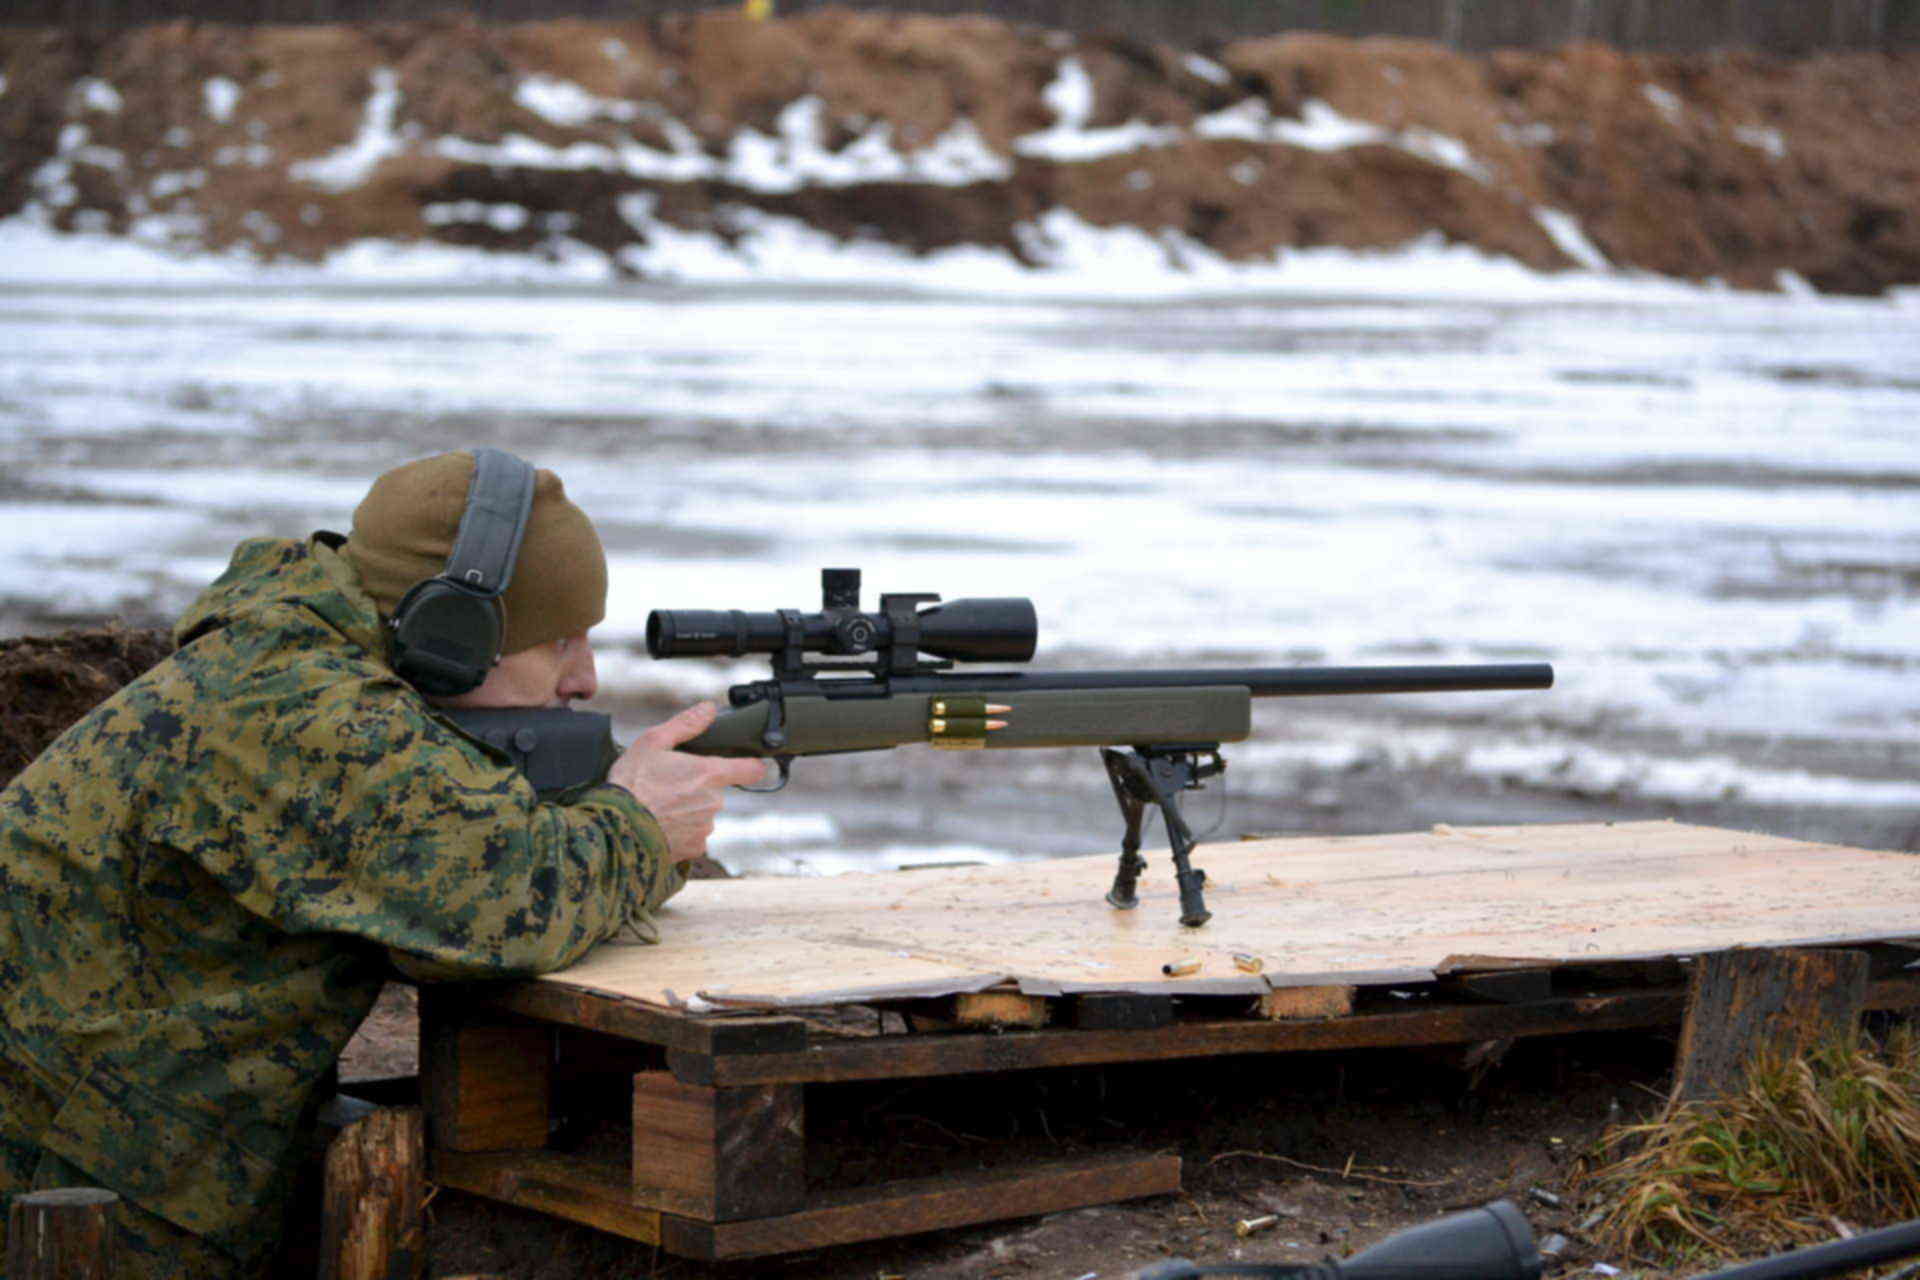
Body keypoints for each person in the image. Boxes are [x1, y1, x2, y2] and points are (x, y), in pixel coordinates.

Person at [0, 450, 763, 1278]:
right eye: (558, 641)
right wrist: (640, 824)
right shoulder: (308, 710)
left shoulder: (291, 654)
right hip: (67, 1190)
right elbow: (504, 906)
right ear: (450, 634)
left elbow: (470, 830)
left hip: (102, 1134)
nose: (582, 678)